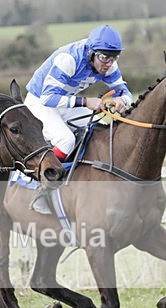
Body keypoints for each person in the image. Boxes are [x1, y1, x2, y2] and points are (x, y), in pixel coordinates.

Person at [24, 24, 134, 214]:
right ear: (91, 52)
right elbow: (48, 98)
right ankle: (41, 190)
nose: (108, 63)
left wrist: (121, 100)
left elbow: (126, 92)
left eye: (114, 57)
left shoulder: (108, 62)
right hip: (39, 102)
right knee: (66, 140)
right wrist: (85, 101)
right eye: (104, 57)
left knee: (102, 129)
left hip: (63, 102)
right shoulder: (69, 59)